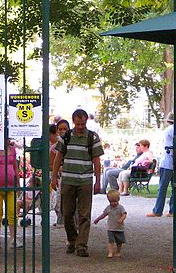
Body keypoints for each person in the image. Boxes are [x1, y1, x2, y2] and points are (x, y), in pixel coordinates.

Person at [50, 108, 103, 257]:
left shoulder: (92, 137)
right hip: (67, 179)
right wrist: (54, 177)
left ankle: (82, 245)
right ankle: (72, 239)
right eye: (78, 124)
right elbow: (58, 158)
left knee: (84, 214)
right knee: (66, 213)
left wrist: (98, 181)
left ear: (86, 122)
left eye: (83, 124)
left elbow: (97, 161)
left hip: (85, 180)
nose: (80, 127)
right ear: (73, 122)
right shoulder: (66, 136)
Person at [0, 141, 22, 249]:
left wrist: (18, 183)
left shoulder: (12, 150)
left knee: (12, 213)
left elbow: (15, 168)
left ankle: (14, 239)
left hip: (11, 187)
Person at [149, 114, 176, 217]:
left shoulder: (169, 130)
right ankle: (173, 210)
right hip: (175, 161)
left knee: (162, 187)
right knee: (175, 187)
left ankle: (157, 210)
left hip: (167, 161)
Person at [93, 190, 127, 258]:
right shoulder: (108, 208)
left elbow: (124, 214)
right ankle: (110, 252)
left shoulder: (120, 207)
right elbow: (104, 214)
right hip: (111, 228)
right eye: (111, 202)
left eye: (115, 201)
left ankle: (118, 251)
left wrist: (121, 219)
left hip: (119, 228)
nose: (113, 203)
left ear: (118, 200)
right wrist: (98, 219)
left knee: (119, 241)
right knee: (110, 241)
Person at [48, 120, 69, 227]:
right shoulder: (54, 148)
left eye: (65, 129)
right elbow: (50, 165)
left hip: (72, 176)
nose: (62, 131)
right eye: (60, 129)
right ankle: (61, 219)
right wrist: (59, 170)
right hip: (61, 177)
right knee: (59, 201)